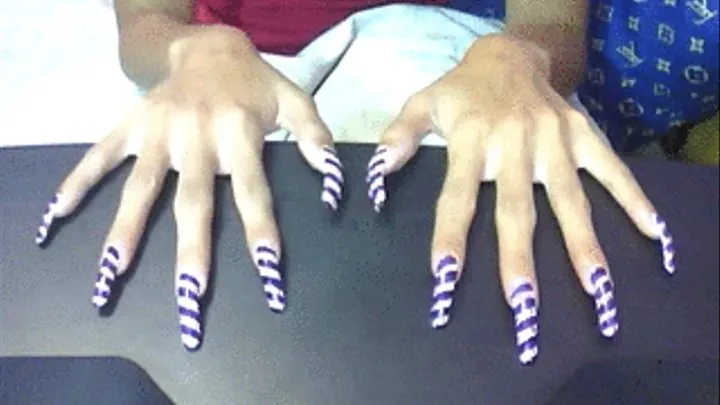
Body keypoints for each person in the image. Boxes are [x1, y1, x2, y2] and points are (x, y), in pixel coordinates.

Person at [34, 0, 715, 365]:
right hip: (219, 76)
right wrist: (194, 50)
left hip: (439, 47)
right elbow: (146, 21)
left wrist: (520, 56)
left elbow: (551, 20)